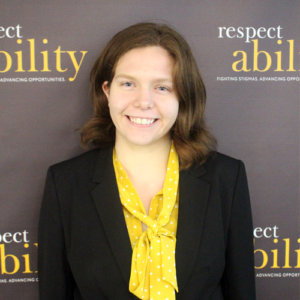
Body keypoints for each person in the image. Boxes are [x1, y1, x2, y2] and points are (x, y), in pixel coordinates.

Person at [38, 23, 256, 300]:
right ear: (107, 91)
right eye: (128, 84)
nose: (144, 102)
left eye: (162, 87)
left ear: (183, 96)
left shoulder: (226, 177)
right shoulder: (65, 184)